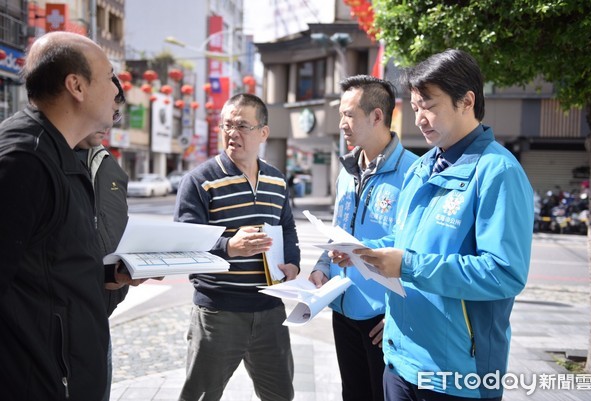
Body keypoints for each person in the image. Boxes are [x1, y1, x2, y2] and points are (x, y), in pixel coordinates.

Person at [346, 49, 534, 400]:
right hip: (400, 360)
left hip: (457, 374)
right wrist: (366, 253)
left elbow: (504, 273)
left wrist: (408, 265)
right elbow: (407, 239)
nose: (419, 118)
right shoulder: (421, 167)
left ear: (466, 100)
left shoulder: (497, 172)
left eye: (429, 105)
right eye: (415, 107)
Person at [0, 31, 120, 400]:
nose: (117, 90)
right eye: (110, 76)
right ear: (76, 86)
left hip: (69, 373)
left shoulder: (62, 154)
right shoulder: (25, 161)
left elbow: (48, 263)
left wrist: (110, 273)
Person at [174, 93, 301, 401]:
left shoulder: (276, 180)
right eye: (227, 125)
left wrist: (293, 264)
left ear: (263, 133)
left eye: (242, 125)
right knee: (201, 396)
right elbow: (183, 243)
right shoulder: (200, 181)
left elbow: (288, 228)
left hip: (270, 310)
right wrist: (229, 246)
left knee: (281, 395)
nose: (232, 133)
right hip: (218, 313)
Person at [309, 75, 417, 401]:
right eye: (341, 114)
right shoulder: (347, 170)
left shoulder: (414, 173)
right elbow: (338, 227)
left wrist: (403, 314)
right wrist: (321, 266)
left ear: (377, 116)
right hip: (343, 308)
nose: (341, 123)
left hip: (383, 318)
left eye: (348, 114)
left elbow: (418, 250)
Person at [74, 76, 146, 401]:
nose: (109, 121)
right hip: (50, 327)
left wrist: (120, 272)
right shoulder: (40, 161)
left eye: (115, 114)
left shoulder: (111, 169)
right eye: (107, 109)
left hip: (99, 320)